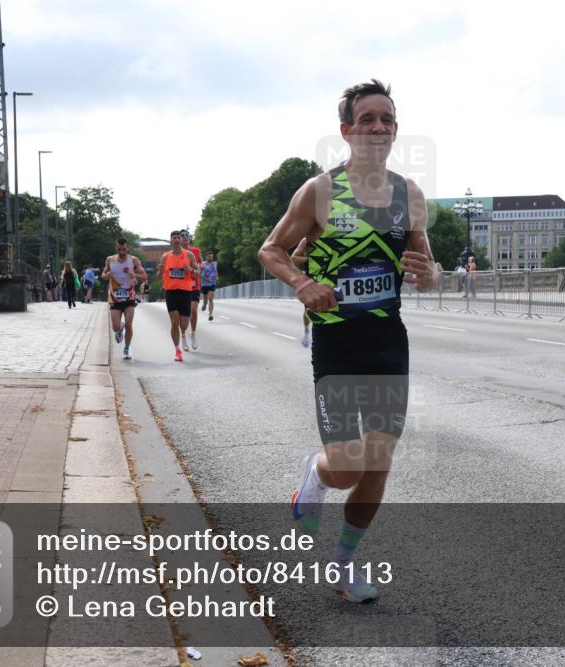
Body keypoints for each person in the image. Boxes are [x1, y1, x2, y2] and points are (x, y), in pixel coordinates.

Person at [257, 79, 439, 603]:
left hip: (388, 341)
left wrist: (429, 274)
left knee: (379, 461)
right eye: (368, 119)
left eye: (387, 119)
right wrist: (303, 283)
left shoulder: (409, 194)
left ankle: (343, 564)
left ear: (396, 129)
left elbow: (426, 268)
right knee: (346, 467)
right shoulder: (317, 192)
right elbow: (270, 250)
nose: (378, 127)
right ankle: (315, 476)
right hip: (336, 345)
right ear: (347, 130)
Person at [103, 238, 147, 361]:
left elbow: (144, 277)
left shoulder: (133, 260)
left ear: (128, 248)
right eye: (119, 249)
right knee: (115, 327)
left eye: (124, 249)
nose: (122, 251)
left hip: (129, 297)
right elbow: (103, 275)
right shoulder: (110, 259)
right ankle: (119, 329)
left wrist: (134, 275)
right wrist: (107, 275)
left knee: (129, 323)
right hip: (114, 298)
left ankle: (127, 348)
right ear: (116, 248)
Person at [161, 230, 201, 362]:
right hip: (171, 292)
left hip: (185, 292)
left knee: (183, 324)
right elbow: (158, 275)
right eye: (175, 238)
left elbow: (197, 272)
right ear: (171, 240)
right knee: (174, 321)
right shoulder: (165, 256)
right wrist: (160, 270)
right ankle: (177, 350)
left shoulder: (189, 255)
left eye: (179, 237)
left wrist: (190, 270)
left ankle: (183, 333)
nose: (177, 240)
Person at [180, 231, 204, 350]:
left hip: (194, 283)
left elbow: (200, 263)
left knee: (193, 310)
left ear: (189, 239)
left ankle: (193, 334)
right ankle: (183, 336)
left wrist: (199, 266)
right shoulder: (176, 253)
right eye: (183, 237)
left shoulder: (195, 251)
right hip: (181, 284)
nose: (185, 239)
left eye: (187, 236)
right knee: (184, 312)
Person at [200, 251, 219, 321]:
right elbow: (199, 273)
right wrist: (205, 278)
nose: (211, 258)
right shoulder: (203, 264)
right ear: (207, 257)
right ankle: (204, 304)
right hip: (204, 284)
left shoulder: (214, 264)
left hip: (212, 283)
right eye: (209, 256)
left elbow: (216, 271)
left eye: (212, 257)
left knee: (211, 299)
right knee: (205, 300)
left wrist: (217, 277)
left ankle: (210, 314)